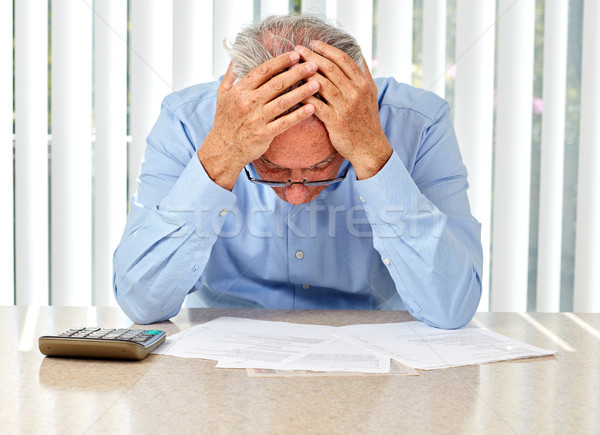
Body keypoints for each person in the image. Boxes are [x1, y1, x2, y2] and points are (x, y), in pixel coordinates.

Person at [113, 14, 483, 329]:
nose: (295, 195)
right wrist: (221, 154)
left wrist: (371, 151)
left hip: (375, 357)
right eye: (270, 167)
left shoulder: (420, 122)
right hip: (224, 363)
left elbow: (450, 309)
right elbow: (143, 303)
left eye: (323, 166)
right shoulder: (186, 122)